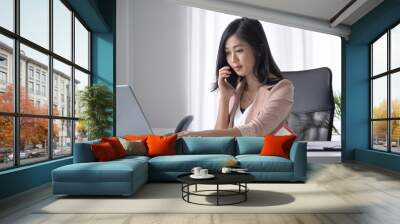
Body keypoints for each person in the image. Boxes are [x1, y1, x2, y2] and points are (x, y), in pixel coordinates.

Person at [177, 17, 294, 137]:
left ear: (258, 49)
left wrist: (196, 135)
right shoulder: (237, 89)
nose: (232, 59)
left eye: (238, 50)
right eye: (228, 52)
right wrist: (224, 98)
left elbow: (257, 129)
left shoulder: (282, 88)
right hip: (233, 156)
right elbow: (219, 141)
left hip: (263, 155)